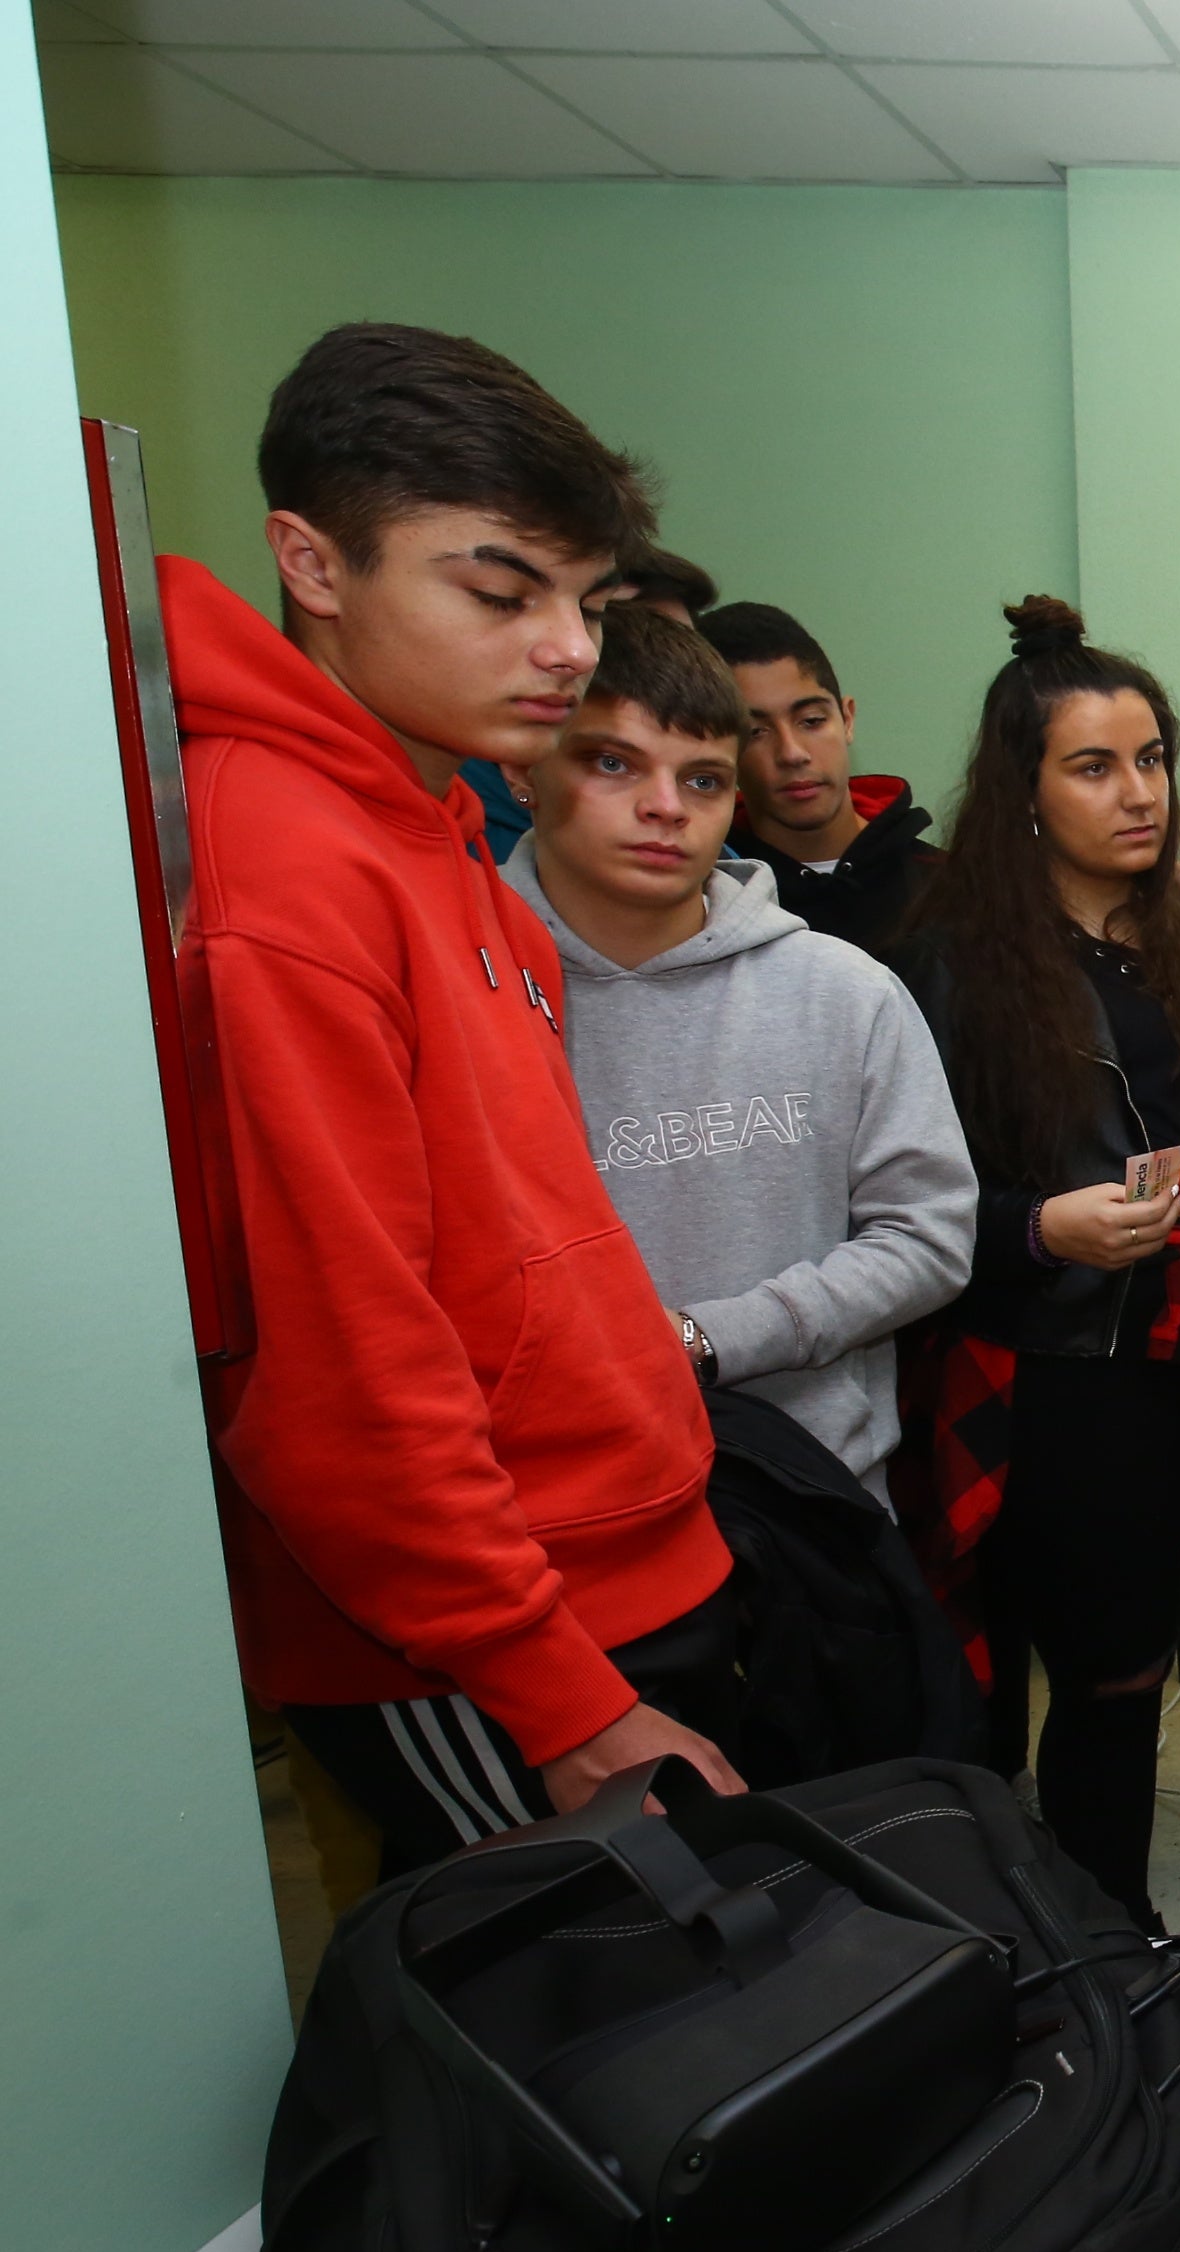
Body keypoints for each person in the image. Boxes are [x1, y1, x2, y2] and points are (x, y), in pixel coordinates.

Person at [173, 321, 743, 1870]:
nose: (568, 645)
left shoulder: (432, 822)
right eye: (502, 593)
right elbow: (339, 1362)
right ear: (312, 560)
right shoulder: (280, 868)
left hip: (600, 1560)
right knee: (595, 2058)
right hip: (479, 1636)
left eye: (586, 600)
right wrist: (556, 1696)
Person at [894, 595, 1180, 1925]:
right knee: (1114, 1680)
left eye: (1148, 760)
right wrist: (1042, 1226)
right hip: (1070, 1374)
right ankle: (1110, 1957)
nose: (1137, 793)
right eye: (1094, 766)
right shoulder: (951, 970)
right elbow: (907, 1213)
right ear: (1024, 792)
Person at [502, 603, 974, 1506]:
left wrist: (706, 1338)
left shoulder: (844, 990)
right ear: (524, 767)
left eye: (705, 779)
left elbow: (929, 1235)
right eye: (613, 762)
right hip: (559, 1510)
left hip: (817, 1504)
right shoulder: (459, 986)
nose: (664, 808)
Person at [700, 601, 941, 957]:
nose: (792, 752)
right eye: (755, 732)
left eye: (811, 721)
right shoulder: (706, 901)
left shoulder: (952, 888)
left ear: (847, 719)